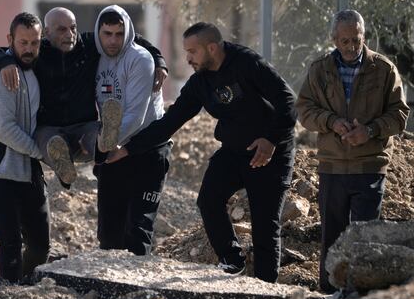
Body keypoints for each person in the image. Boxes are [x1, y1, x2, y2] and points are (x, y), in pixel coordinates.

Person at [109, 22, 297, 283]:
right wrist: (128, 148)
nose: (187, 59)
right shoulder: (200, 82)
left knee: (265, 226)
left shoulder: (247, 63)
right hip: (233, 151)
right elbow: (170, 121)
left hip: (271, 153)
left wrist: (271, 139)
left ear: (212, 48)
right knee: (208, 199)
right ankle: (232, 260)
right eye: (186, 52)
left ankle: (265, 292)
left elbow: (287, 100)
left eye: (192, 52)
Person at [0, 7, 168, 186]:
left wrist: (158, 59)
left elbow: (130, 38)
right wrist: (4, 61)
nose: (69, 34)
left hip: (84, 124)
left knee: (96, 135)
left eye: (73, 28)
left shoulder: (88, 44)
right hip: (49, 126)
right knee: (49, 141)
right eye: (62, 29)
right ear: (46, 33)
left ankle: (105, 140)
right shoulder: (38, 51)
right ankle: (64, 168)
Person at [295, 10, 409, 293]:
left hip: (369, 166)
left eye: (356, 40)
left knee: (365, 236)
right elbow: (304, 110)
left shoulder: (383, 69)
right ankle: (328, 293)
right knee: (331, 235)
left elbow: (400, 115)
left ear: (364, 36)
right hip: (332, 166)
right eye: (344, 41)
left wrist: (368, 131)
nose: (351, 46)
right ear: (334, 39)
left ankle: (360, 293)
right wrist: (332, 122)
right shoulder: (319, 69)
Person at [0, 12, 49, 283]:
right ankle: (10, 297)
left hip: (27, 170)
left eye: (34, 43)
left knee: (40, 244)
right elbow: (3, 130)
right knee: (10, 243)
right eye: (23, 42)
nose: (28, 49)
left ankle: (25, 287)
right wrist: (41, 153)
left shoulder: (37, 69)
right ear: (10, 40)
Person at [93, 5, 171, 256]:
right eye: (107, 34)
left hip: (146, 149)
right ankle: (110, 292)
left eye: (119, 34)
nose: (113, 40)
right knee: (108, 234)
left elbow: (135, 117)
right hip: (112, 150)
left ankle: (137, 292)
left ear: (128, 33)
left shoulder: (140, 59)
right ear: (98, 33)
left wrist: (105, 147)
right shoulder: (92, 56)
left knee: (137, 230)